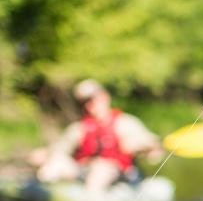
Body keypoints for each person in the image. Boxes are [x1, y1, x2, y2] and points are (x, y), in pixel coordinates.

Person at [30, 79, 163, 193]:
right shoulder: (79, 128)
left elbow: (153, 151)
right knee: (56, 163)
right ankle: (37, 196)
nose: (89, 105)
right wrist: (46, 155)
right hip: (84, 171)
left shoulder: (125, 123)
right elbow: (60, 149)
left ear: (104, 97)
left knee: (101, 168)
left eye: (92, 100)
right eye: (84, 102)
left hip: (116, 174)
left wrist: (147, 148)